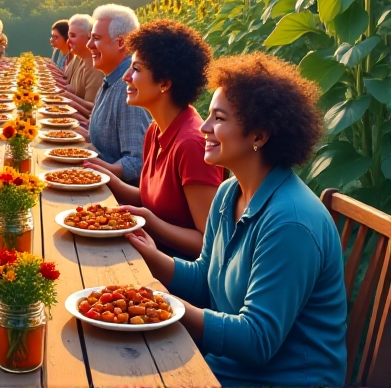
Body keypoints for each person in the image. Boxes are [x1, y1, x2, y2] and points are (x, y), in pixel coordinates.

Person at [127, 53, 347, 387]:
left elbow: (257, 340)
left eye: (218, 118)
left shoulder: (291, 223)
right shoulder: (229, 192)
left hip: (280, 380)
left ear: (258, 136)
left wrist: (165, 307)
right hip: (228, 367)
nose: (204, 127)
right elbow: (205, 278)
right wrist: (149, 253)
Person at [86, 20, 223, 258]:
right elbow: (153, 200)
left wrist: (149, 222)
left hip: (174, 272)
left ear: (164, 83)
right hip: (146, 253)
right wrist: (108, 179)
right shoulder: (155, 130)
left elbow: (208, 244)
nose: (126, 77)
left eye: (136, 69)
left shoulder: (192, 144)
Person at [82, 4, 151, 184]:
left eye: (96, 38)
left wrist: (98, 167)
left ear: (121, 43)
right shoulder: (111, 78)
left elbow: (137, 162)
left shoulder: (129, 86)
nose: (89, 45)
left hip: (114, 194)